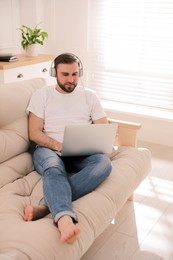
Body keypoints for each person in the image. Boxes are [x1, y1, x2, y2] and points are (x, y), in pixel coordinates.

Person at [24, 53, 112, 244]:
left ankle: (47, 205)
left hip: (81, 152)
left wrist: (100, 141)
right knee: (54, 169)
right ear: (55, 73)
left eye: (74, 74)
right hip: (49, 150)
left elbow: (103, 128)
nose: (71, 80)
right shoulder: (42, 96)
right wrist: (57, 145)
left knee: (104, 164)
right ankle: (64, 219)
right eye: (65, 74)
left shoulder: (90, 96)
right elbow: (34, 133)